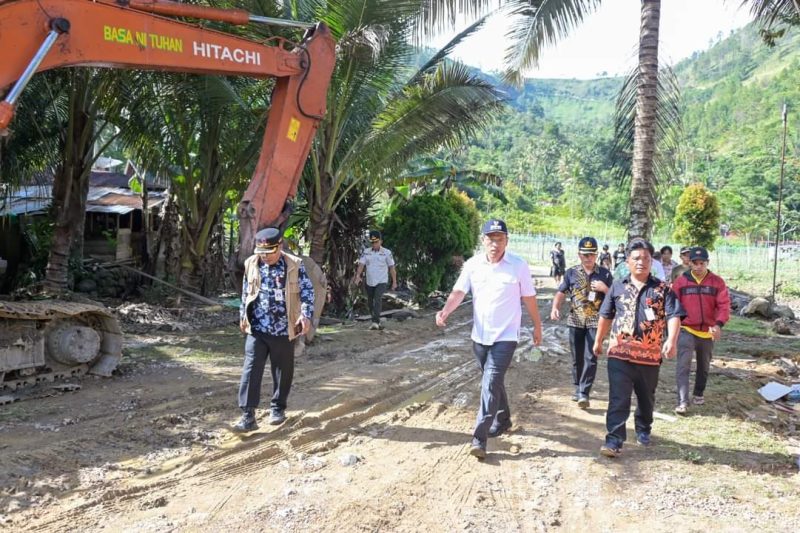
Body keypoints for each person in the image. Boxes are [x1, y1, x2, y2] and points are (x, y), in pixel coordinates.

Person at [436, 219, 543, 459]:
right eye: (490, 239)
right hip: (480, 336)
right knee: (493, 382)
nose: (495, 244)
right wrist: (445, 312)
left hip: (506, 336)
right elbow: (458, 292)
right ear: (483, 240)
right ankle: (503, 419)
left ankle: (479, 438)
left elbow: (529, 298)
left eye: (499, 239)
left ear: (507, 241)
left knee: (490, 382)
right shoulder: (473, 265)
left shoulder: (518, 266)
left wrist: (537, 326)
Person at [593, 238, 684, 457]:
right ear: (628, 262)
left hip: (649, 357)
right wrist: (598, 341)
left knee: (646, 397)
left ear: (652, 262)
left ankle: (643, 427)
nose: (641, 262)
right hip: (619, 353)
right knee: (618, 398)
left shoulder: (663, 290)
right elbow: (606, 316)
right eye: (636, 258)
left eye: (645, 258)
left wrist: (671, 340)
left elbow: (673, 316)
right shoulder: (617, 286)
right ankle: (614, 440)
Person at [233, 227, 315, 432]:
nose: (265, 257)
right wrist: (243, 314)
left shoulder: (294, 265)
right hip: (258, 327)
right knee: (251, 369)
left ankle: (278, 408)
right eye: (261, 252)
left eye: (269, 252)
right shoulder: (251, 263)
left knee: (282, 369)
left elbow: (307, 292)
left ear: (280, 246)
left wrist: (305, 315)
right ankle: (248, 415)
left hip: (284, 328)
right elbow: (246, 291)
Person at [551, 237, 613, 409]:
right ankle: (578, 388)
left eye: (591, 254)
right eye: (585, 254)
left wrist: (604, 288)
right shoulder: (571, 272)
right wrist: (555, 307)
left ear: (596, 255)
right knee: (577, 357)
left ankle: (585, 392)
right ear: (579, 255)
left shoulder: (605, 274)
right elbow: (561, 292)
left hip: (596, 321)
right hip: (576, 320)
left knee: (591, 356)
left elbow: (615, 297)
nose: (588, 258)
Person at [671, 246, 730, 415]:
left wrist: (718, 324)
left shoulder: (717, 282)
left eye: (701, 263)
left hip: (708, 331)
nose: (698, 267)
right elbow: (674, 305)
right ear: (689, 263)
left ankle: (698, 393)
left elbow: (723, 305)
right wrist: (673, 329)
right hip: (686, 329)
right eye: (694, 263)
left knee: (703, 366)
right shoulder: (681, 282)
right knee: (683, 365)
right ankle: (682, 401)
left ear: (707, 263)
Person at [354, 230, 397, 330]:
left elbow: (391, 268)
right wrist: (358, 276)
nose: (374, 244)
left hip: (382, 281)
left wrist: (394, 281)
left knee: (377, 299)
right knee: (370, 301)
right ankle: (375, 319)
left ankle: (375, 322)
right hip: (370, 281)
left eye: (376, 242)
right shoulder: (366, 252)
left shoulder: (386, 253)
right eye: (372, 242)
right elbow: (361, 265)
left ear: (381, 241)